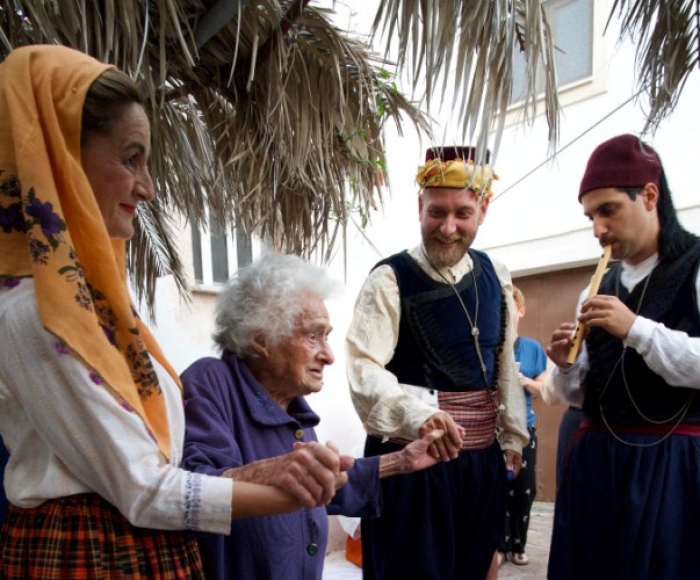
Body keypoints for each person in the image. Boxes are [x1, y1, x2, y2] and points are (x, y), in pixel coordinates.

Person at [0, 45, 349, 577]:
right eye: (130, 158)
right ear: (62, 159)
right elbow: (144, 489)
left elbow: (155, 471)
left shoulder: (100, 306)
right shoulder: (35, 313)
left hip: (144, 550)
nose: (148, 186)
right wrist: (280, 489)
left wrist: (277, 475)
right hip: (91, 558)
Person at [180, 253, 447, 580]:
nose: (329, 356)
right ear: (262, 338)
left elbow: (322, 490)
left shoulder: (293, 408)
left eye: (326, 336)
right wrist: (270, 472)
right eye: (312, 335)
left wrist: (400, 462)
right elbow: (192, 491)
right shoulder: (211, 383)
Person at [346, 146, 529, 579]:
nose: (448, 228)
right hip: (414, 463)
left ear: (483, 209)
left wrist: (514, 436)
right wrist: (423, 417)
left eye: (463, 213)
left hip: (481, 464)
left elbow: (504, 361)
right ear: (419, 207)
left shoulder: (496, 276)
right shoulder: (389, 279)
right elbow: (363, 369)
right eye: (436, 212)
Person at [545, 133, 700, 580]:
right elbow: (574, 395)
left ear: (649, 195)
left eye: (608, 210)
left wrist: (635, 329)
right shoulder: (596, 288)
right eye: (590, 216)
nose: (597, 229)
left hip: (672, 470)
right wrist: (567, 363)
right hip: (597, 468)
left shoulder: (694, 266)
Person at [496, 285, 547, 568]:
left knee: (525, 488)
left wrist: (523, 382)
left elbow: (545, 387)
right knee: (497, 486)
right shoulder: (492, 345)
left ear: (521, 312)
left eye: (511, 308)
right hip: (495, 429)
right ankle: (500, 543)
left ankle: (519, 544)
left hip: (525, 428)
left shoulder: (532, 348)